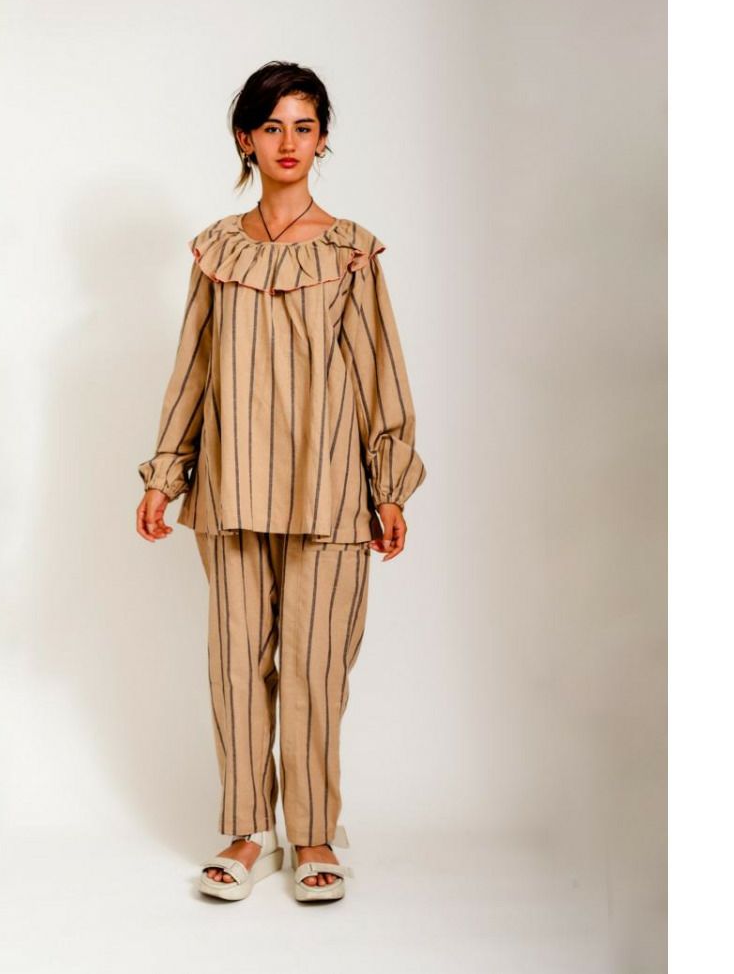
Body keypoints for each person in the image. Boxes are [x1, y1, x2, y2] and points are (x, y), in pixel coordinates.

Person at [136, 61, 428, 902]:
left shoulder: (351, 252)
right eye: (272, 127)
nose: (288, 143)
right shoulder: (217, 250)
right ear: (246, 140)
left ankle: (312, 834)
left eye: (304, 127)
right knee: (235, 663)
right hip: (229, 487)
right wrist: (166, 474)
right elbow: (191, 367)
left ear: (323, 139)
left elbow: (380, 372)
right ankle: (244, 829)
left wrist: (388, 486)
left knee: (313, 668)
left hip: (328, 490)